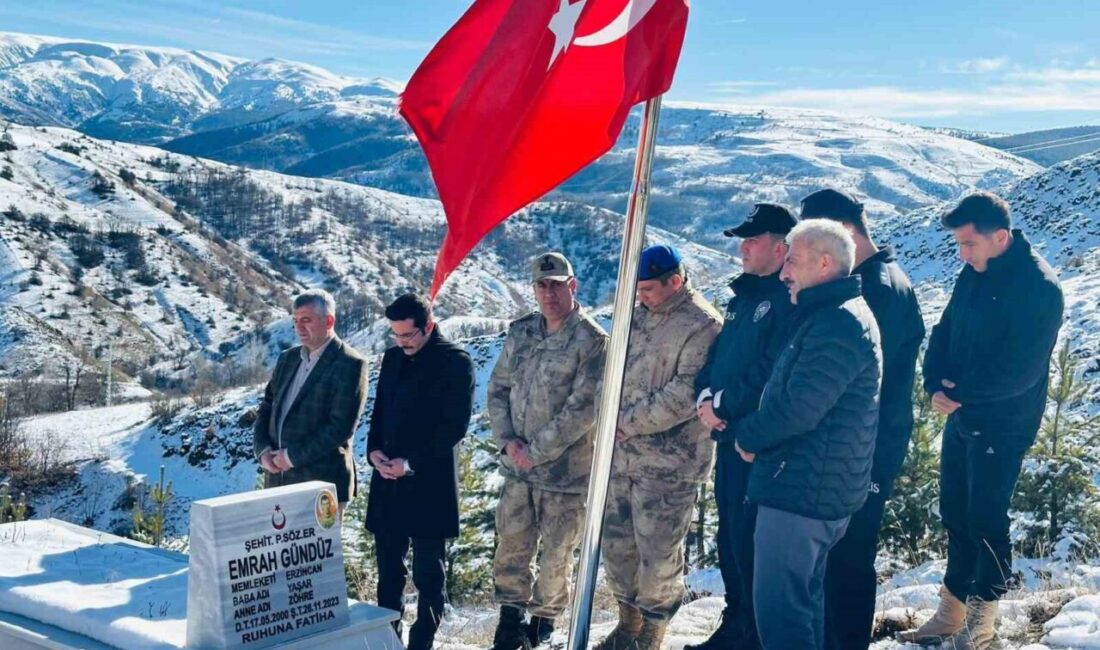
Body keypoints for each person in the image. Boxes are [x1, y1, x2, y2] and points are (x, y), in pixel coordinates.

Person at [898, 193, 1063, 650]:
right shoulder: (973, 272)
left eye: (968, 244)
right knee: (955, 510)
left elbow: (1020, 370)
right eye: (958, 244)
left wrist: (958, 394)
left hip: (1004, 421)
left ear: (1001, 237)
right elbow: (944, 331)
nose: (961, 254)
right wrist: (934, 383)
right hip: (963, 412)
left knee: (985, 517)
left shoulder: (1039, 288)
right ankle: (950, 613)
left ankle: (981, 625)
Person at [722, 219, 882, 650]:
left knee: (782, 615)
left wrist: (747, 437)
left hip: (801, 494)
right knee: (802, 607)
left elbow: (798, 409)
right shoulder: (827, 316)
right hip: (808, 485)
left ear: (825, 264)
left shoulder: (837, 325)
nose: (784, 271)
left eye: (792, 260)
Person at [798, 189, 925, 650]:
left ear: (845, 233)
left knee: (849, 558)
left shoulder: (877, 289)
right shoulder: (885, 278)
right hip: (867, 441)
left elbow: (863, 378)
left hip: (867, 446)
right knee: (843, 557)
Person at [596, 245, 721, 650]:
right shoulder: (637, 315)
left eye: (648, 288)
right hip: (622, 457)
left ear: (676, 281)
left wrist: (625, 422)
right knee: (617, 546)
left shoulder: (702, 324)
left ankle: (653, 629)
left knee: (657, 553)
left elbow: (686, 393)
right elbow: (612, 367)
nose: (641, 296)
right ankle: (627, 622)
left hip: (670, 463)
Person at [686, 203, 798, 650]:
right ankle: (736, 623)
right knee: (729, 533)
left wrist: (725, 403)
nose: (742, 248)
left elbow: (773, 369)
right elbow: (718, 361)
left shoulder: (787, 299)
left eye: (751, 240)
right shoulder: (742, 298)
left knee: (753, 538)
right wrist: (703, 396)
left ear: (779, 247)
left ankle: (754, 632)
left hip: (758, 440)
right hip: (726, 436)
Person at [487, 252, 608, 650]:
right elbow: (498, 389)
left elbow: (582, 410)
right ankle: (509, 621)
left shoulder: (591, 341)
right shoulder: (521, 332)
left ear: (573, 286)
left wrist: (535, 451)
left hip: (564, 473)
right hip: (518, 468)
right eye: (541, 285)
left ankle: (543, 625)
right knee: (512, 545)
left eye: (557, 284)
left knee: (557, 554)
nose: (549, 292)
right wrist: (508, 441)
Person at [366, 293, 475, 650]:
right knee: (389, 578)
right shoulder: (392, 358)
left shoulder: (455, 362)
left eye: (408, 335)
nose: (402, 343)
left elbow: (453, 428)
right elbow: (379, 413)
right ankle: (387, 642)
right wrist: (373, 453)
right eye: (395, 336)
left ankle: (421, 644)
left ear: (428, 326)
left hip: (429, 484)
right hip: (388, 484)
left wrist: (409, 463)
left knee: (429, 578)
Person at [253, 289, 368, 506]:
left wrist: (290, 457)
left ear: (329, 320)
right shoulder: (287, 359)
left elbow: (340, 427)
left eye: (306, 320)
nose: (299, 327)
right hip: (278, 482)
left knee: (321, 543)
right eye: (295, 320)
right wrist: (263, 450)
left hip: (321, 486)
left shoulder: (350, 364)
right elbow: (267, 407)